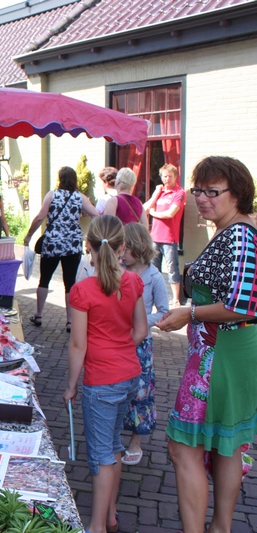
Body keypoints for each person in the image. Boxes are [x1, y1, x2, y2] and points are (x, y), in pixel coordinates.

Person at [155, 156, 257, 533]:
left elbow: (242, 304)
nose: (202, 198)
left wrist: (189, 313)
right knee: (226, 443)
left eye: (213, 191)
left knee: (183, 447)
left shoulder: (240, 235)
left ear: (238, 194)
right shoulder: (233, 231)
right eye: (198, 190)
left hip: (220, 357)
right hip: (226, 353)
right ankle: (220, 527)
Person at [63, 215, 148, 533]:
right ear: (122, 246)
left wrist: (71, 385)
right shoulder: (133, 282)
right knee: (113, 446)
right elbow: (140, 330)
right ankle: (110, 516)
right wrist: (119, 348)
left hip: (100, 381)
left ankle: (97, 526)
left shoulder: (82, 290)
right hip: (128, 375)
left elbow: (77, 344)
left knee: (101, 456)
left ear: (89, 247)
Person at [23, 166, 98, 332]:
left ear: (60, 179)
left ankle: (39, 314)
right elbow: (96, 215)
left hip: (52, 243)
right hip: (72, 244)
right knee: (70, 282)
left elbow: (40, 217)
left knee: (44, 279)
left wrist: (29, 235)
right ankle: (70, 321)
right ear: (74, 180)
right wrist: (91, 237)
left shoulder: (52, 195)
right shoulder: (80, 197)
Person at [119, 222, 169, 466]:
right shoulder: (117, 271)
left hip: (140, 344)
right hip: (117, 339)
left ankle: (135, 441)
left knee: (141, 391)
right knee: (115, 387)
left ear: (137, 249)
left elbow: (164, 312)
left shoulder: (154, 276)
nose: (121, 255)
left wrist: (140, 321)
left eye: (125, 250)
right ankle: (113, 433)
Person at [143, 164, 187, 307]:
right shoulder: (160, 192)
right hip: (154, 236)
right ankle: (155, 298)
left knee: (172, 268)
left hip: (169, 237)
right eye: (164, 176)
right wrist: (155, 194)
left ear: (175, 177)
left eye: (170, 176)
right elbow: (145, 209)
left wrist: (154, 213)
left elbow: (170, 213)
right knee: (153, 269)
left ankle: (175, 299)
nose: (167, 179)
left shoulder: (179, 193)